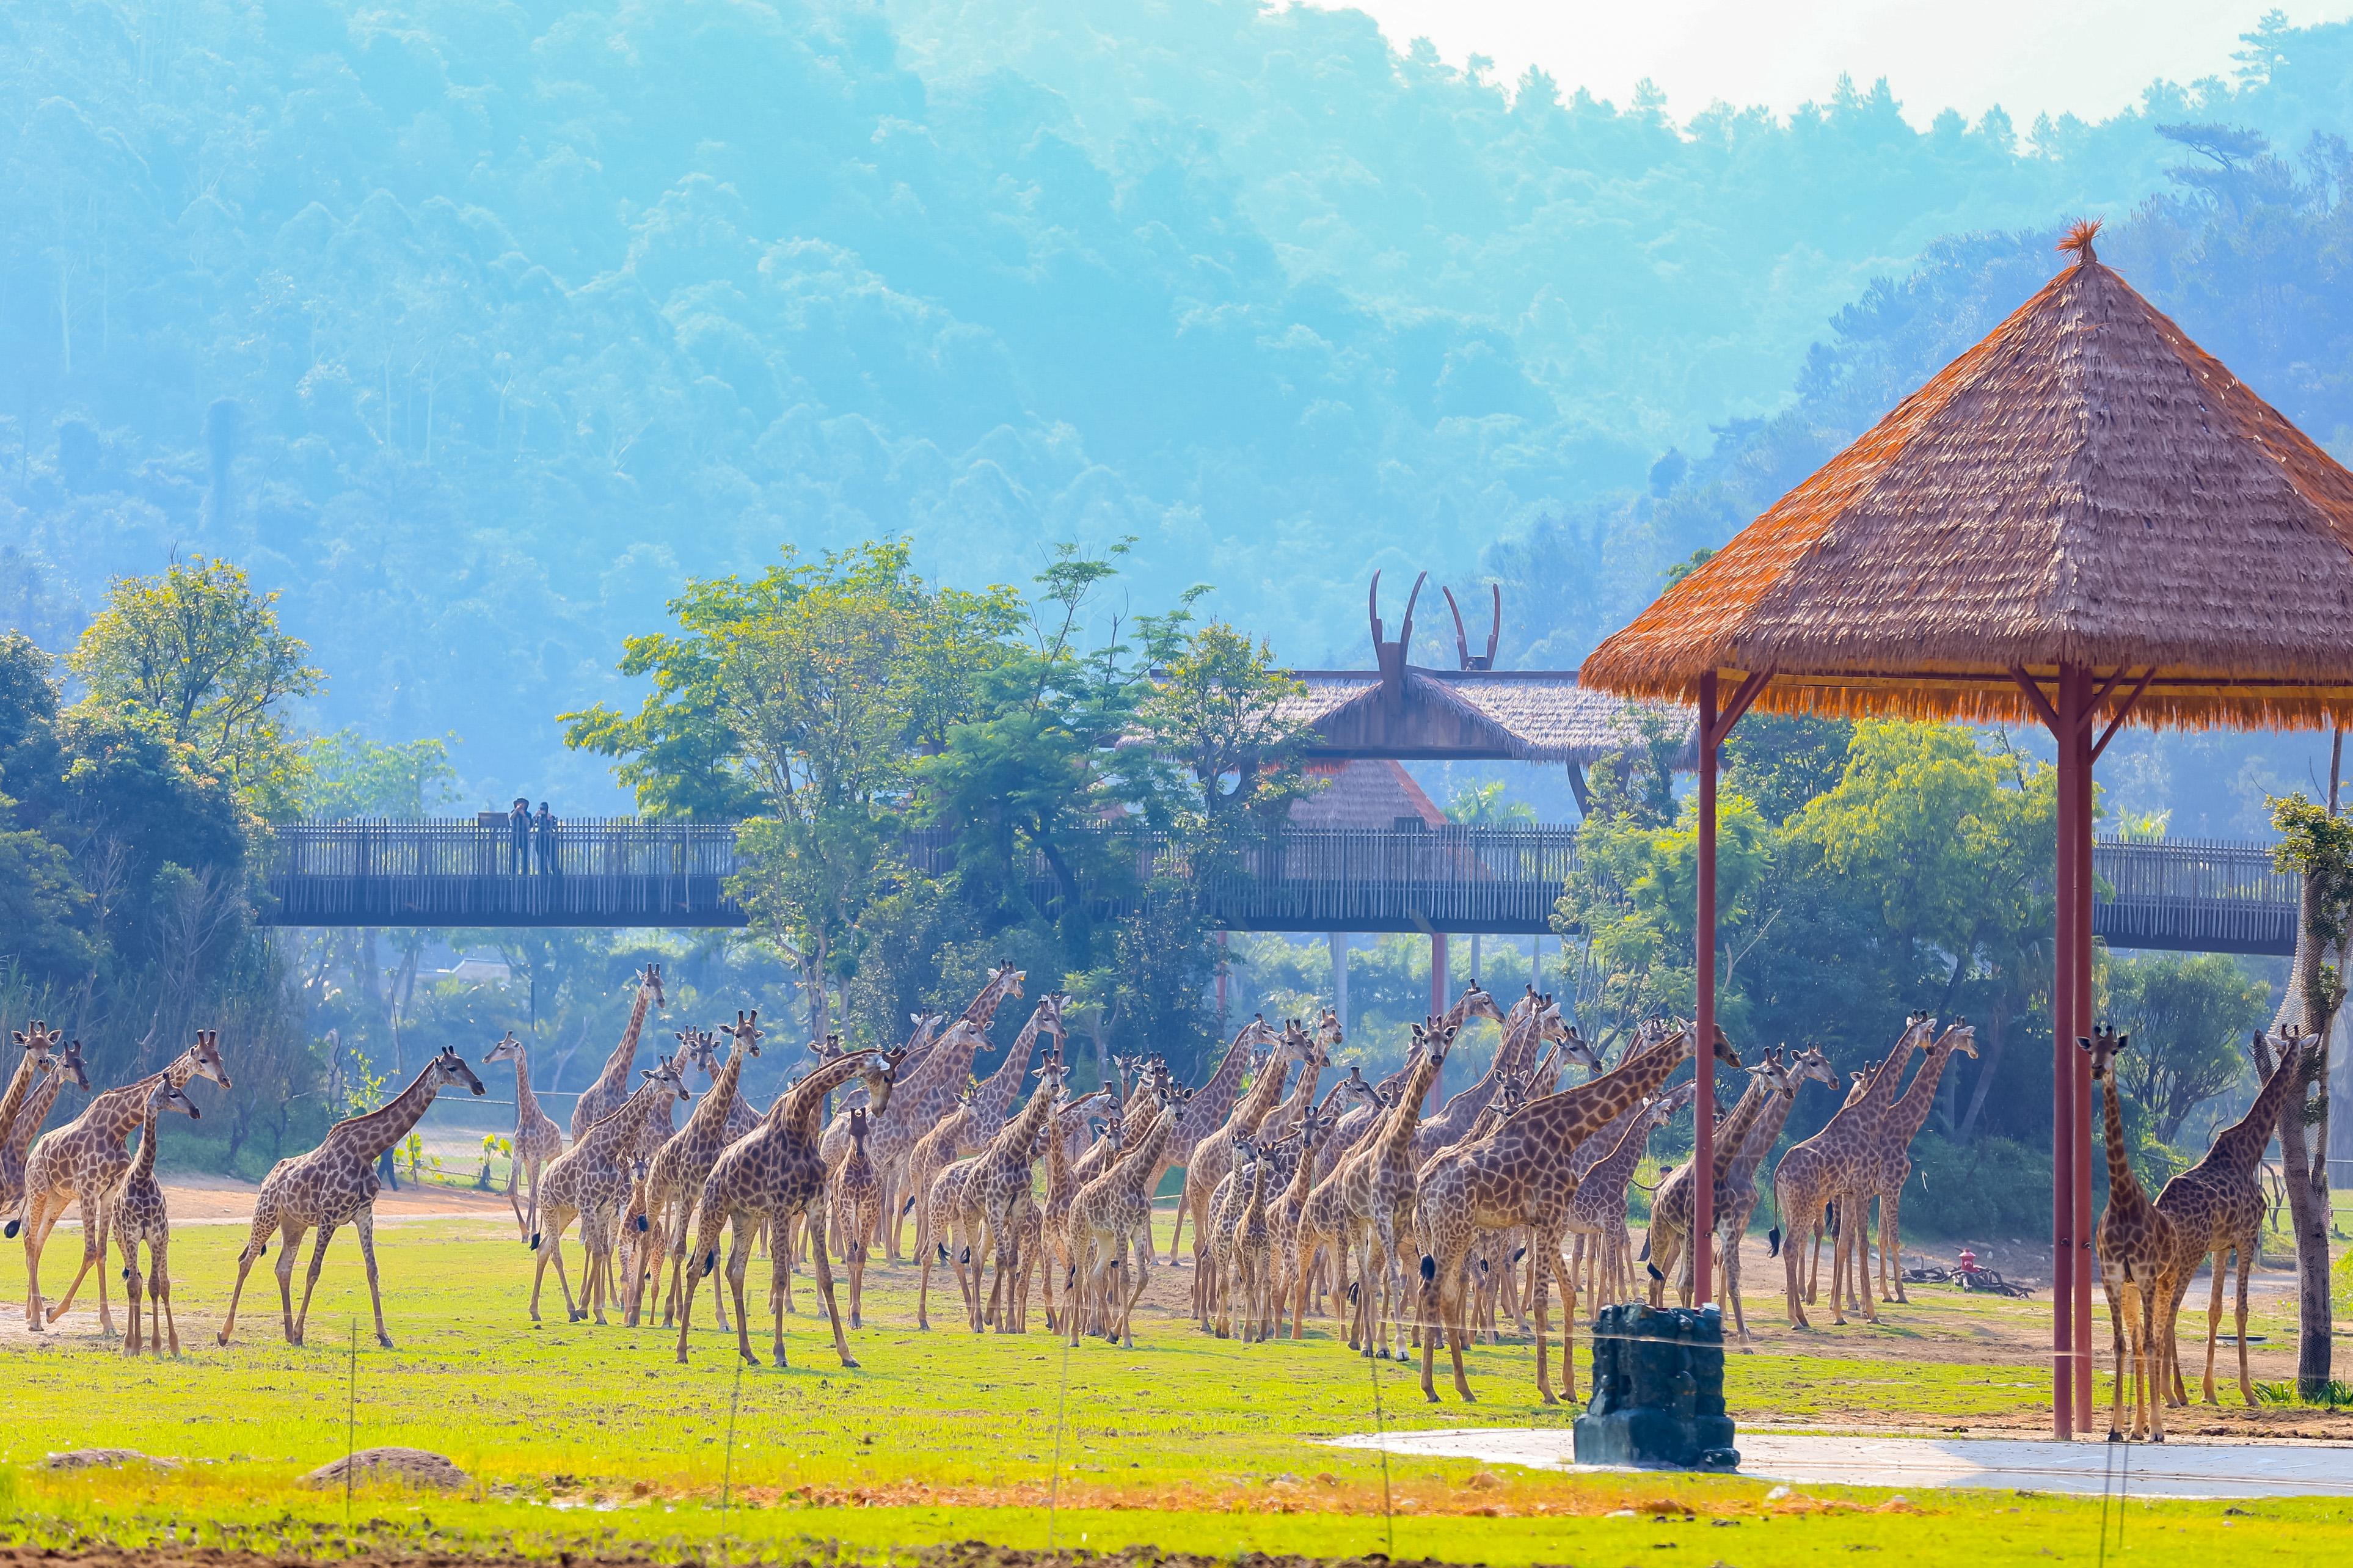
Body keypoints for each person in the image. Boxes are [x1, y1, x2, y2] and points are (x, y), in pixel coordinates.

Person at [534, 801, 559, 876]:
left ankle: (557, 874)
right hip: (540, 840)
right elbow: (531, 824)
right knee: (541, 859)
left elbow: (556, 827)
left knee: (553, 858)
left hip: (550, 840)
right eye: (541, 809)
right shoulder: (539, 818)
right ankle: (544, 874)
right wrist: (536, 815)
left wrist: (551, 820)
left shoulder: (551, 817)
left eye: (544, 809)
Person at [508, 798, 531, 874]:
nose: (521, 805)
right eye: (519, 803)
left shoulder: (528, 814)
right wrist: (517, 810)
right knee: (513, 855)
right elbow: (511, 818)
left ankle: (525, 872)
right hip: (514, 836)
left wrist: (523, 815)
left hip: (524, 836)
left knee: (525, 855)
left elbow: (528, 824)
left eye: (523, 803)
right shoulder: (513, 812)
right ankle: (512, 872)